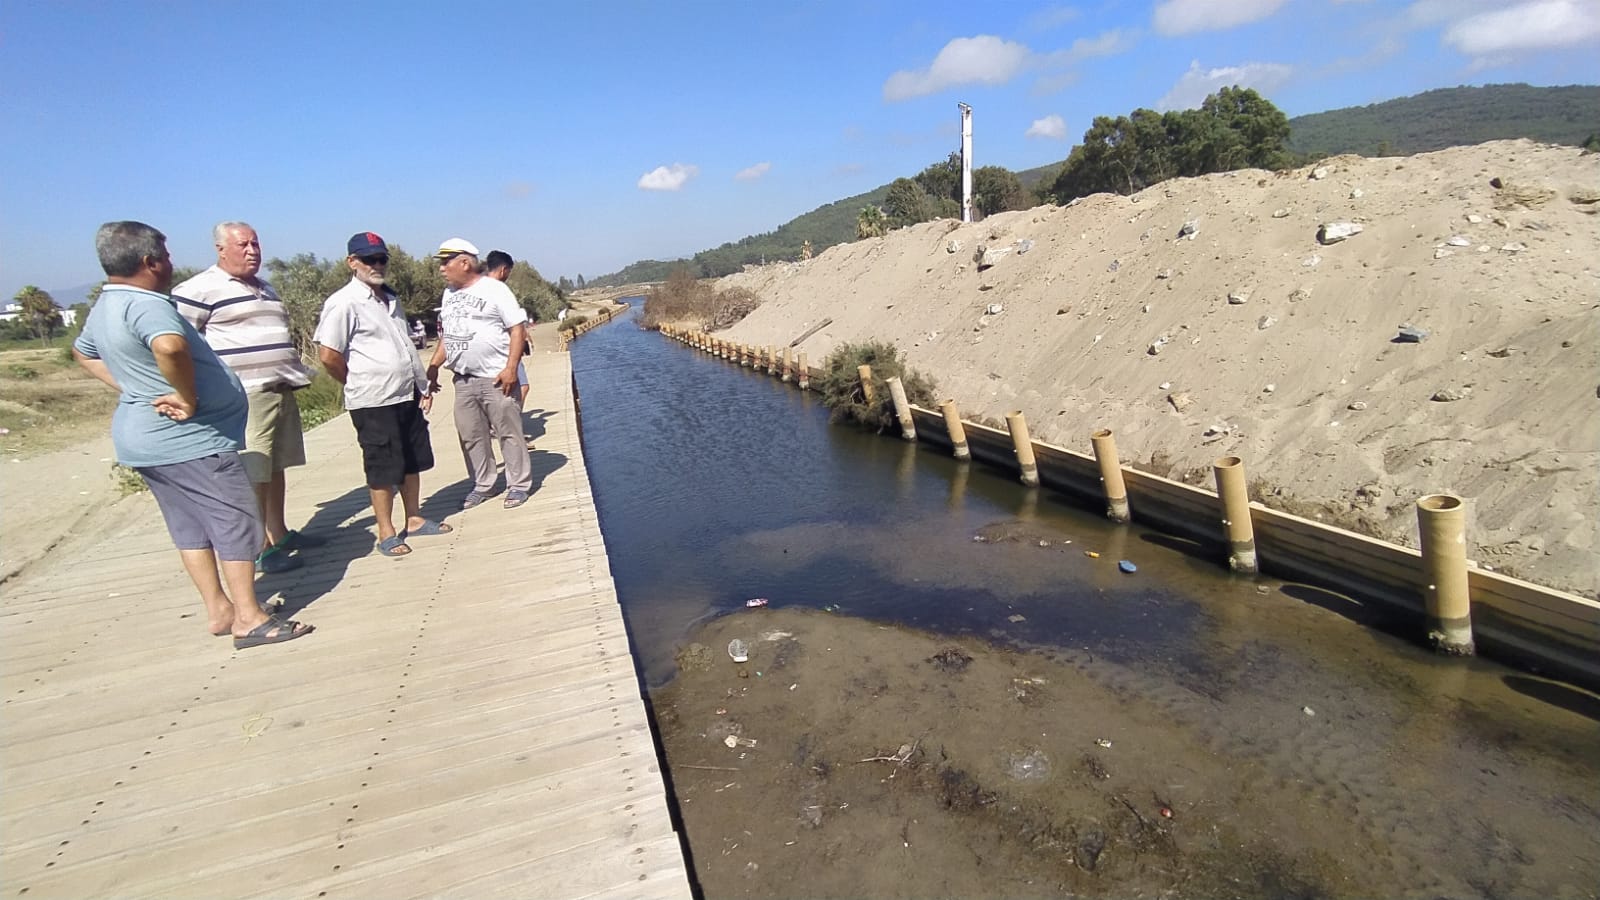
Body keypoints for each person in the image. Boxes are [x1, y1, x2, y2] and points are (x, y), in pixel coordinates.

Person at [73, 221, 312, 649]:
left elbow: (83, 352)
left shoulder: (106, 306)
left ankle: (220, 610)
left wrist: (136, 388)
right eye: (165, 256)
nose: (171, 263)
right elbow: (170, 347)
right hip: (192, 439)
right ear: (149, 263)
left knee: (191, 529)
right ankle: (250, 618)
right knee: (236, 520)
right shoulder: (150, 304)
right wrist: (185, 396)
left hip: (147, 441)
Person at [172, 221, 317, 574]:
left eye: (255, 244)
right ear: (221, 249)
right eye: (243, 245)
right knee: (254, 473)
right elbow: (177, 342)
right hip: (246, 396)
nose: (252, 251)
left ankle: (279, 533)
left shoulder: (264, 287)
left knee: (276, 467)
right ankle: (259, 548)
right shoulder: (199, 289)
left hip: (280, 390)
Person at [314, 232, 452, 558]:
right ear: (352, 262)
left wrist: (422, 385)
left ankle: (414, 519)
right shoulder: (344, 302)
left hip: (405, 395)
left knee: (411, 459)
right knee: (381, 466)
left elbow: (403, 344)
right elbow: (328, 354)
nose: (377, 265)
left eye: (381, 259)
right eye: (369, 259)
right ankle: (386, 531)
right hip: (373, 400)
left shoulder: (390, 298)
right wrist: (355, 380)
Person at [425, 239, 532, 510]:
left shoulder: (495, 290)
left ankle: (518, 485)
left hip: (496, 378)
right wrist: (434, 366)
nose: (441, 268)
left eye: (445, 262)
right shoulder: (449, 294)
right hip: (463, 379)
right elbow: (448, 336)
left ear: (464, 262)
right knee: (471, 435)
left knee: (508, 431)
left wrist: (511, 369)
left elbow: (517, 329)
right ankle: (484, 485)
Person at [484, 250, 538, 450]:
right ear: (504, 269)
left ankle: (503, 426)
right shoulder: (499, 290)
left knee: (508, 391)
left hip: (493, 352)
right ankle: (509, 429)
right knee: (520, 388)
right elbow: (512, 324)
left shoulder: (479, 288)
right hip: (506, 350)